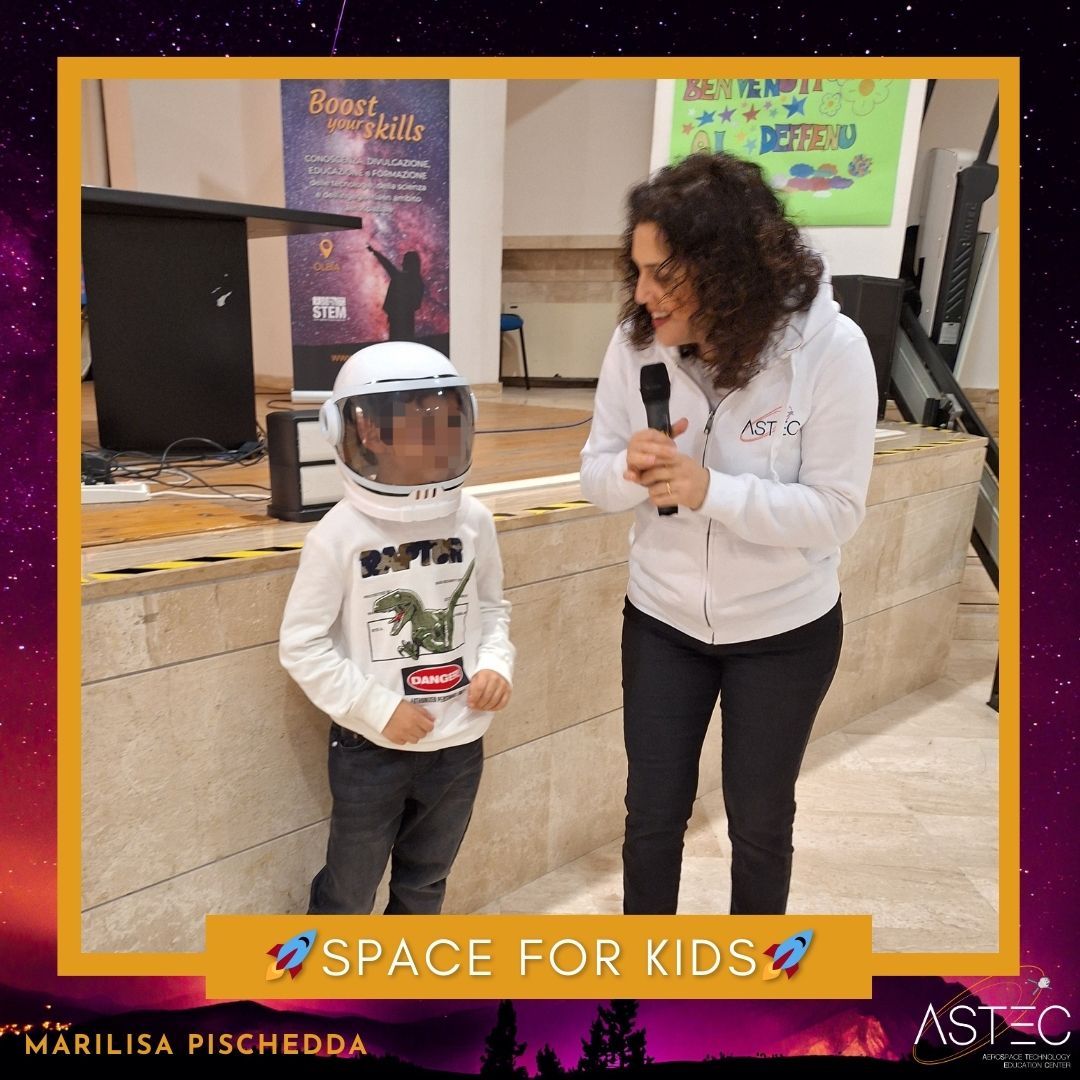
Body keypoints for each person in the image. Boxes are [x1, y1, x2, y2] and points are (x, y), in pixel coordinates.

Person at [580, 152, 878, 916]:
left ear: (728, 271)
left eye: (663, 274)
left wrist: (713, 491)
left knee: (760, 824)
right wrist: (628, 471)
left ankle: (755, 978)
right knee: (651, 821)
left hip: (785, 631)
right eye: (637, 270)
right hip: (662, 621)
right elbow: (595, 475)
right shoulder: (635, 343)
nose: (642, 294)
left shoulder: (833, 350)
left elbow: (837, 511)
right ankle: (644, 979)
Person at [279, 341, 514, 915]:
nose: (440, 438)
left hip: (459, 745)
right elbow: (303, 645)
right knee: (349, 893)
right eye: (423, 423)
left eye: (450, 422)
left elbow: (492, 609)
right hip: (371, 751)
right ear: (367, 432)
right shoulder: (338, 535)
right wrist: (378, 710)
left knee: (426, 885)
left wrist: (495, 666)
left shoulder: (473, 520)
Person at [368, 244, 424, 341]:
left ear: (408, 263)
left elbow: (387, 264)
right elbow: (417, 304)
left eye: (404, 261)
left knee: (396, 340)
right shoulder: (418, 281)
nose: (402, 264)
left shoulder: (401, 278)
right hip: (407, 317)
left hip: (397, 318)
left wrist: (374, 252)